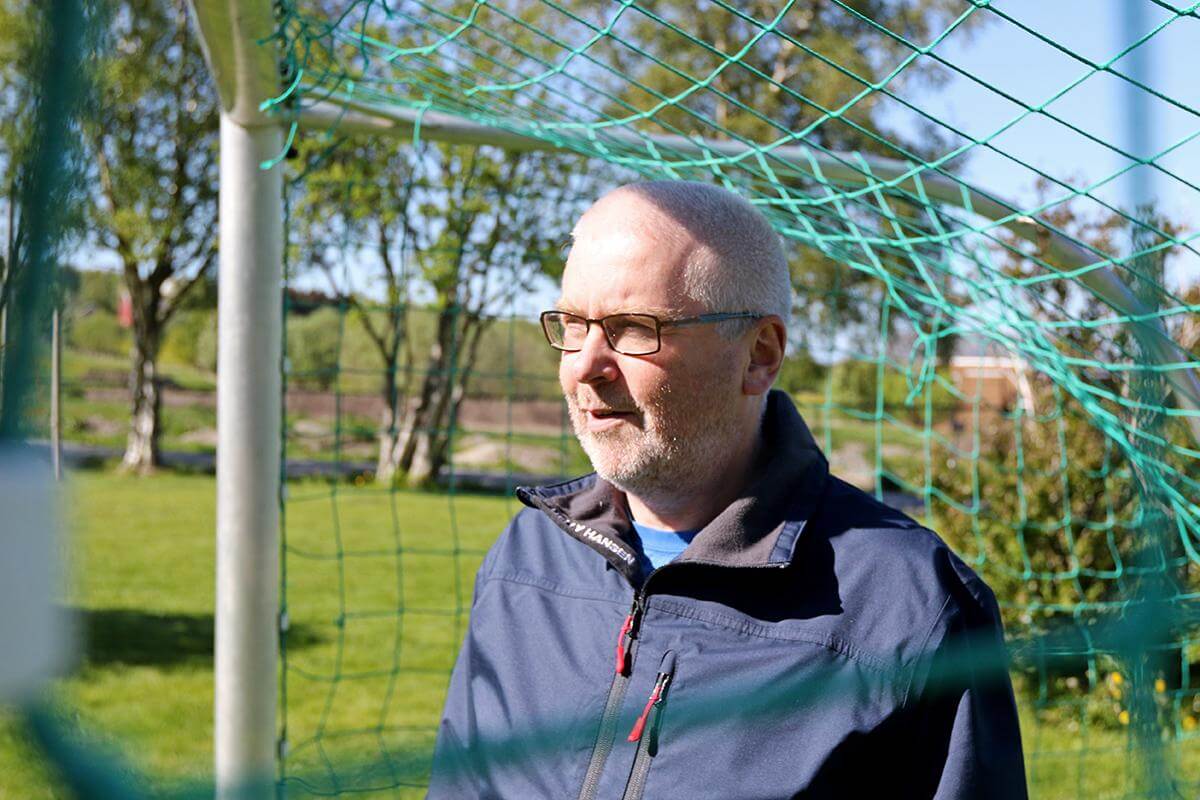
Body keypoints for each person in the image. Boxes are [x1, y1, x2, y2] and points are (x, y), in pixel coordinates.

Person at [427, 181, 1027, 799]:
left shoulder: (911, 609)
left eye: (634, 329)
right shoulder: (526, 560)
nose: (585, 364)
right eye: (573, 324)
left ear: (759, 356)